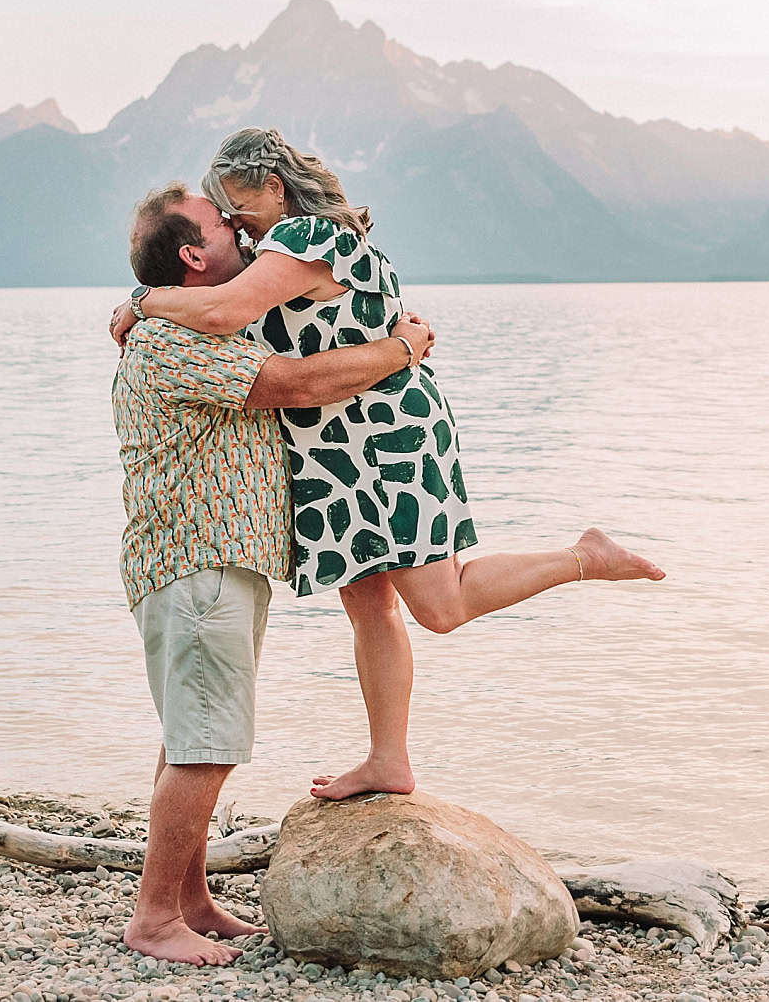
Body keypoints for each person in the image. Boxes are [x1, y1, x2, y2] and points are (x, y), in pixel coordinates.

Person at [111, 127, 664, 805]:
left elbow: (227, 310)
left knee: (440, 603)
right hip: (337, 442)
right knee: (370, 603)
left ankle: (585, 556)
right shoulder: (287, 247)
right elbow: (241, 316)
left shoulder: (310, 240)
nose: (232, 220)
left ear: (273, 188)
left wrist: (141, 301)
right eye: (220, 212)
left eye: (235, 203)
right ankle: (388, 761)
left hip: (380, 435)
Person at [113, 182, 435, 967]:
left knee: (191, 735)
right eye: (223, 223)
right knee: (207, 745)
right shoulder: (178, 340)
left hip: (214, 558)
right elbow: (295, 384)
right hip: (199, 558)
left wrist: (139, 298)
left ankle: (190, 901)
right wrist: (404, 350)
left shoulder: (181, 319)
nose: (243, 228)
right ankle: (154, 920)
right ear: (195, 254)